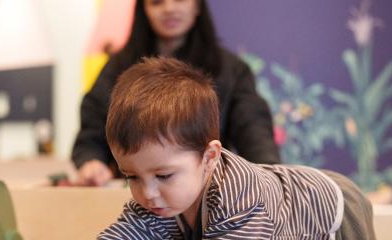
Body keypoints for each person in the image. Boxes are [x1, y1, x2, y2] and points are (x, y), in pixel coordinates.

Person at [14, 57, 392, 240]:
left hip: (333, 211)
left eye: (163, 175)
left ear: (209, 157)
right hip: (289, 224)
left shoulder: (238, 196)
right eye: (130, 176)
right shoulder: (156, 198)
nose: (147, 192)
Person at [72, 0, 280, 186]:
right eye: (157, 2)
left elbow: (253, 130)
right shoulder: (118, 67)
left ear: (197, 5)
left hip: (205, 197)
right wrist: (91, 162)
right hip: (132, 197)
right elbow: (93, 128)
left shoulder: (231, 70)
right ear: (144, 10)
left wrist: (269, 176)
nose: (169, 8)